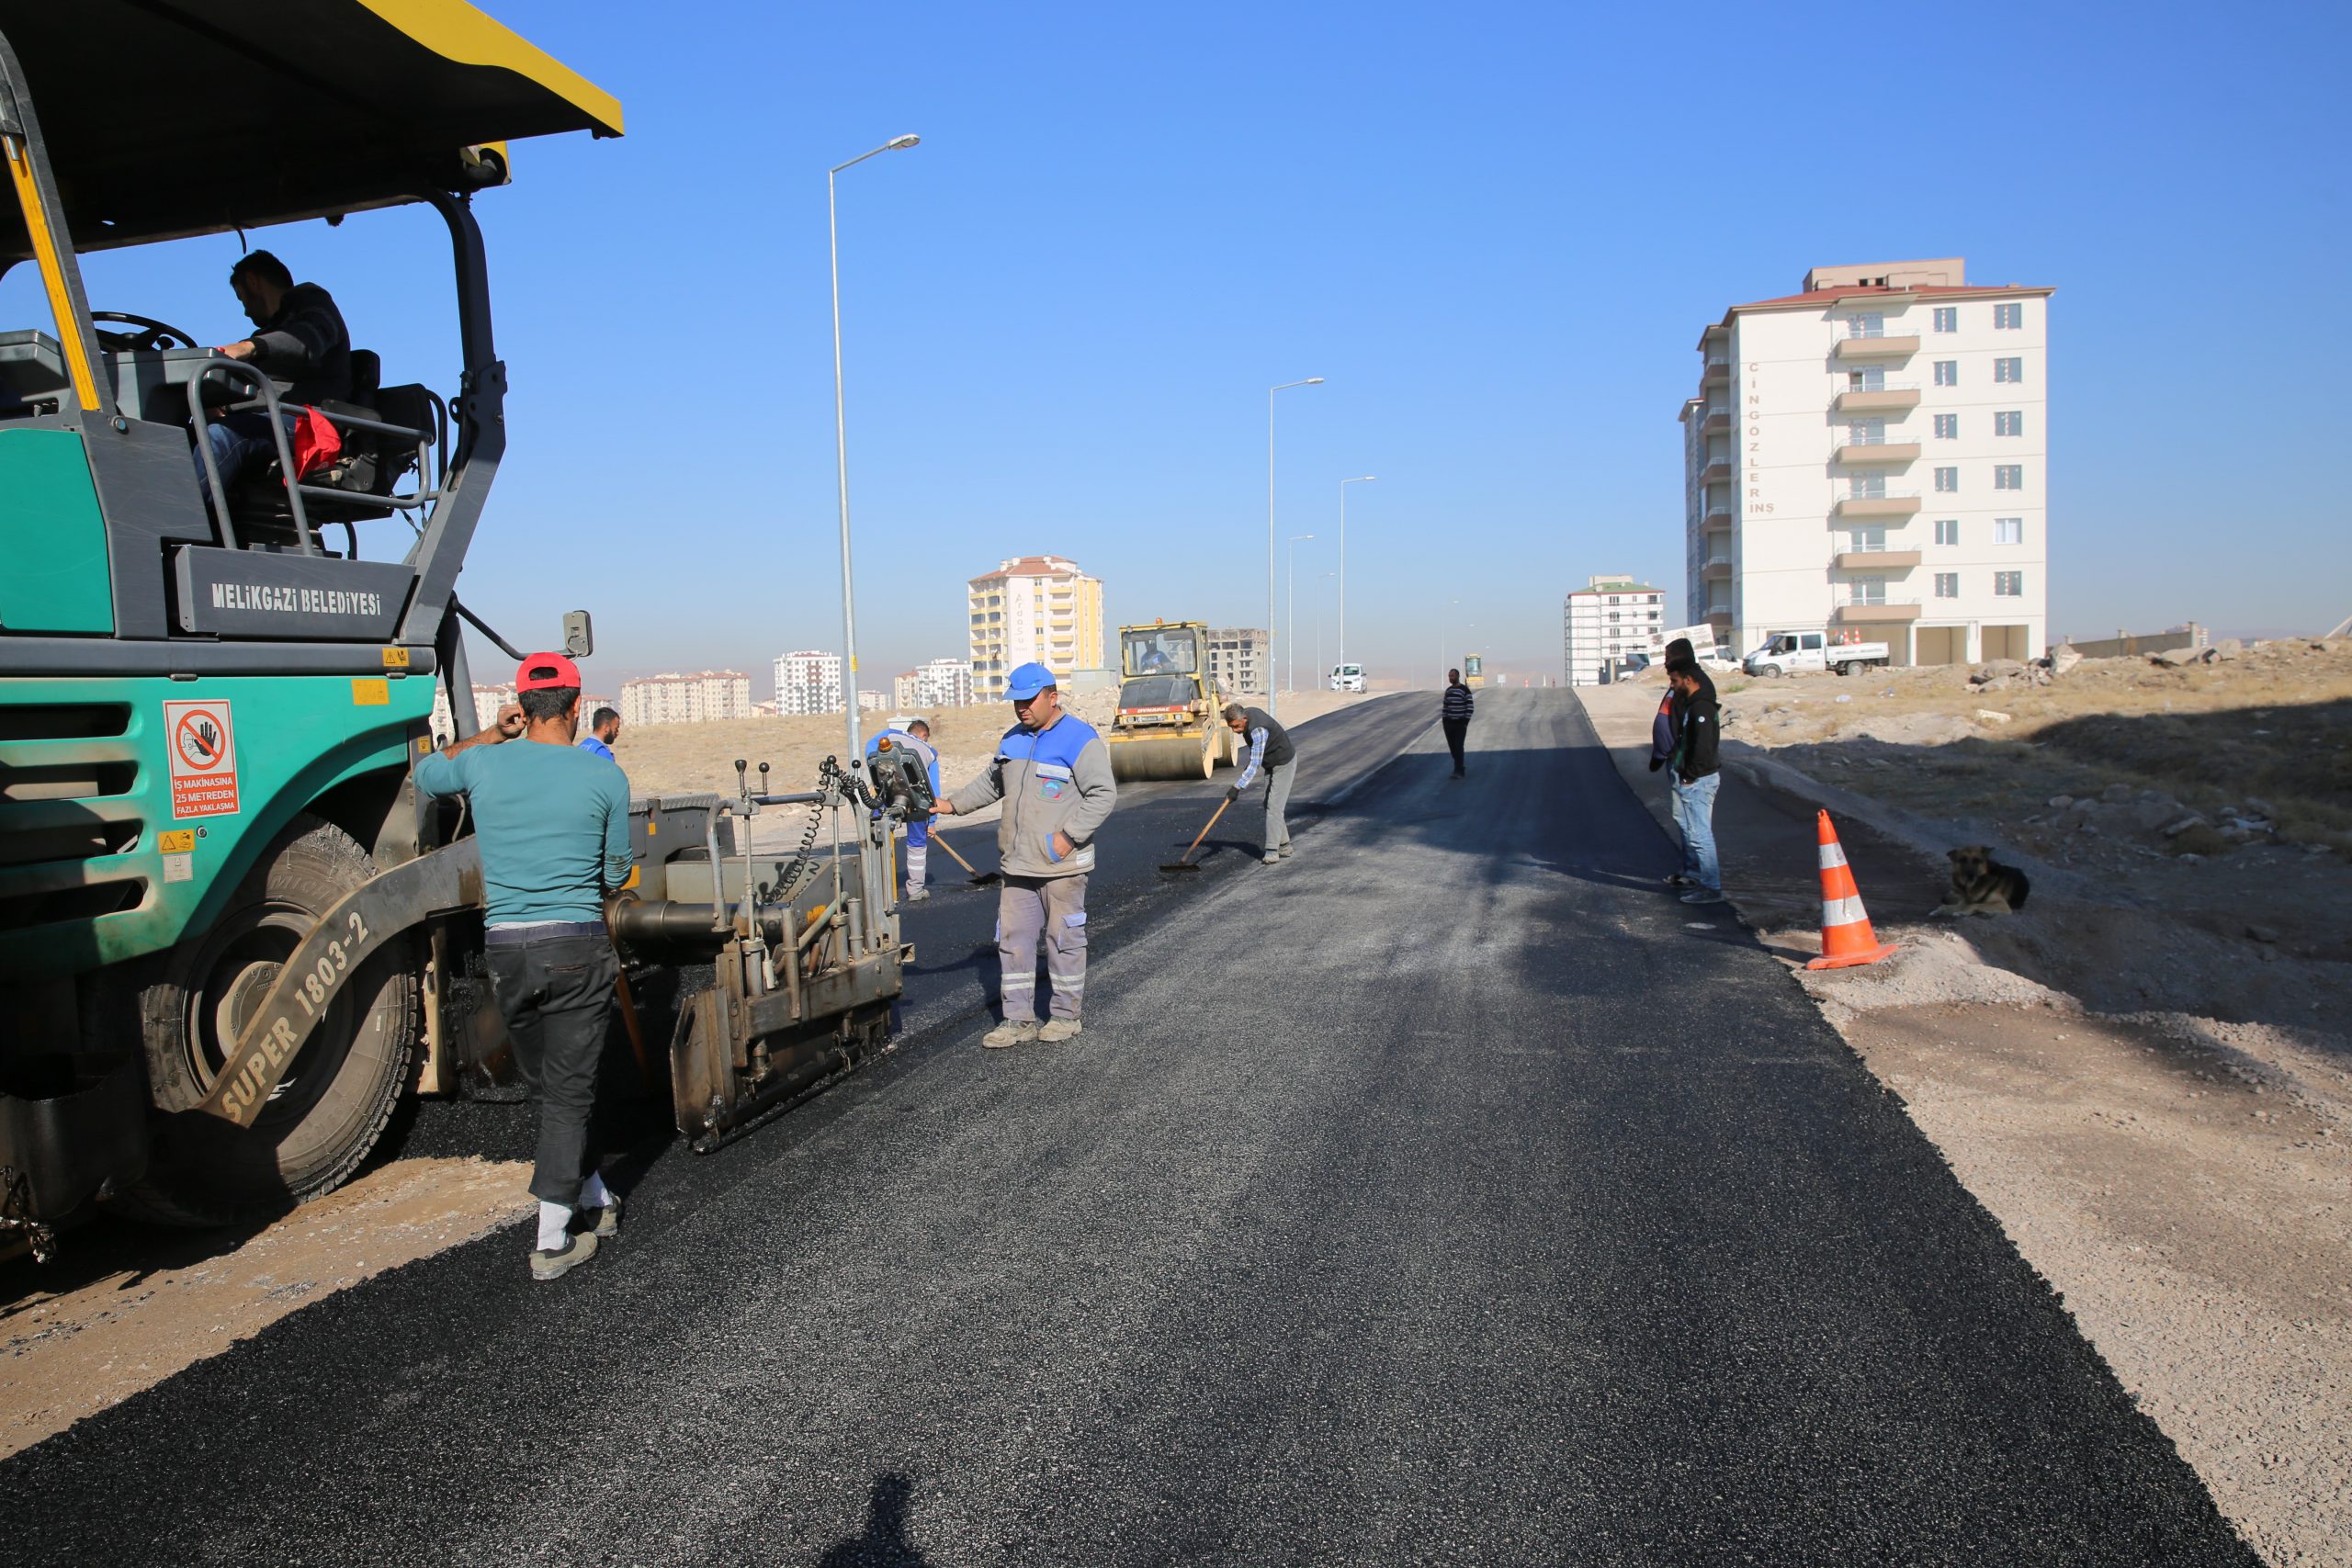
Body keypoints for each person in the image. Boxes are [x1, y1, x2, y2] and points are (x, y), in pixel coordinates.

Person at [414, 652, 633, 1281]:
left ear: (522, 706)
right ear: (576, 706)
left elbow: (426, 775)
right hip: (575, 948)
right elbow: (616, 872)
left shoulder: (484, 761)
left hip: (507, 952)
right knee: (569, 1090)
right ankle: (552, 1237)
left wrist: (490, 733)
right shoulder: (605, 777)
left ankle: (593, 1193)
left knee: (550, 1084)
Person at [935, 663, 1116, 1046]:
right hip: (1018, 865)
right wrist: (951, 805)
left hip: (1061, 864)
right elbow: (991, 784)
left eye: (1029, 700)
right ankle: (1017, 1020)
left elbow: (1103, 793)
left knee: (1063, 940)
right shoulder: (1012, 740)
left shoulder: (1079, 739)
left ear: (1053, 697)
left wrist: (1068, 837)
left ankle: (1066, 1016)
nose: (1021, 708)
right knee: (1013, 942)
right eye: (1016, 701)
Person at [194, 251, 353, 501]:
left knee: (220, 435)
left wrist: (248, 347)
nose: (246, 312)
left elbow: (307, 342)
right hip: (268, 417)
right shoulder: (268, 333)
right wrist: (217, 403)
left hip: (307, 422)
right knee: (174, 435)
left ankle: (177, 517)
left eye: (242, 299)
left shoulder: (312, 305)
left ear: (252, 281)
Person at [1662, 655, 1724, 906]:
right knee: (1694, 831)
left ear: (1688, 679)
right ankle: (1699, 878)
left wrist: (1689, 776)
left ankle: (1711, 887)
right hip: (1695, 778)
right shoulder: (1694, 705)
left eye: (1675, 680)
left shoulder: (1701, 709)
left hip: (1699, 781)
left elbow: (1703, 747)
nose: (1673, 685)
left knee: (1700, 835)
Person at [865, 717, 941, 902]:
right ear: (924, 735)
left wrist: (876, 775)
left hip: (886, 794)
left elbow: (870, 747)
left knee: (879, 836)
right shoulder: (930, 752)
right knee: (917, 844)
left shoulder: (889, 734)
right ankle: (915, 890)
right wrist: (931, 821)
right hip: (917, 801)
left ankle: (876, 890)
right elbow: (934, 790)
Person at [1221, 702, 1297, 864]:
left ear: (1244, 719)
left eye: (1236, 726)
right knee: (1269, 804)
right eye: (1231, 727)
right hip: (1270, 763)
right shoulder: (1246, 717)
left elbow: (1255, 763)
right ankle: (1284, 845)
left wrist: (1237, 787)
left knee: (1274, 807)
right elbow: (1255, 756)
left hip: (1284, 763)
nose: (1235, 731)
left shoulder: (1258, 730)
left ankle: (1272, 851)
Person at [1441, 668, 1475, 777]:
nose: (1450, 678)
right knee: (1453, 748)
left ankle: (1458, 770)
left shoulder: (1465, 690)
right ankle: (1460, 766)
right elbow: (1445, 707)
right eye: (1449, 676)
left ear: (1458, 676)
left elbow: (1470, 707)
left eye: (1452, 676)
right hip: (1449, 724)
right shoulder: (1448, 691)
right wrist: (1444, 721)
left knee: (1459, 746)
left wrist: (1465, 722)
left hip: (1460, 724)